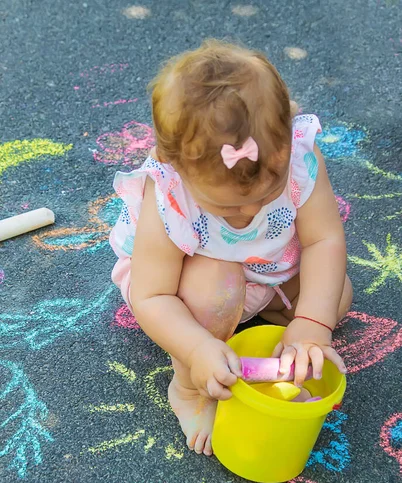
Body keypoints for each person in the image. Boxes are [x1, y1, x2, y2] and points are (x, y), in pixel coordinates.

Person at [109, 39, 353, 457]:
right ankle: (187, 387)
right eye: (229, 205)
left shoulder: (296, 157)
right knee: (215, 289)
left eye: (268, 191)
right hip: (188, 281)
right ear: (176, 169)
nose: (252, 210)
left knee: (336, 298)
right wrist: (197, 349)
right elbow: (153, 295)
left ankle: (259, 318)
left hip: (268, 266)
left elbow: (323, 240)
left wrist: (313, 322)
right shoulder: (170, 193)